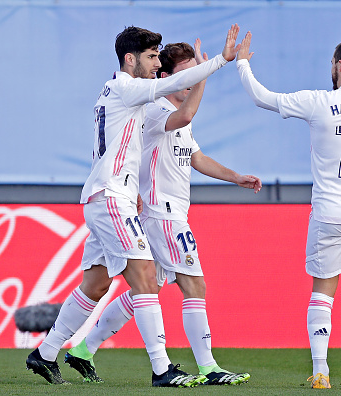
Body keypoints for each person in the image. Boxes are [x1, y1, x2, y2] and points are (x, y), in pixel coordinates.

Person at [25, 24, 242, 387]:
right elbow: (172, 88)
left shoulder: (117, 92)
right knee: (143, 274)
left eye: (159, 57)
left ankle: (45, 353)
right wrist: (220, 61)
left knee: (95, 285)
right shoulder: (127, 88)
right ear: (130, 59)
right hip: (113, 197)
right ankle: (162, 369)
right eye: (152, 57)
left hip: (111, 197)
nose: (157, 65)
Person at [236, 32, 341, 390]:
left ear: (340, 66)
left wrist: (242, 63)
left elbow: (263, 98)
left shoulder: (318, 102)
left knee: (323, 291)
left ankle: (321, 370)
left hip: (327, 210)